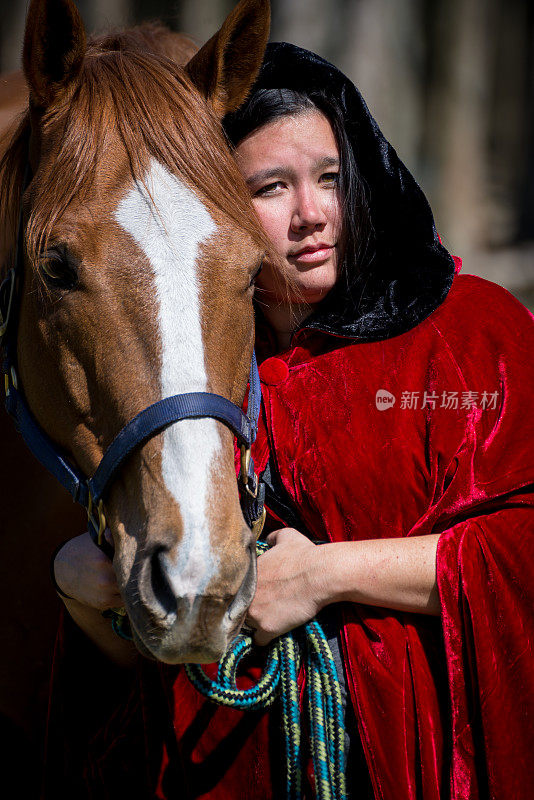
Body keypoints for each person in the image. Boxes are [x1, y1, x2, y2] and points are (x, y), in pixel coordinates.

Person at [49, 43, 534, 800]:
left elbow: (523, 548)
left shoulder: (476, 337)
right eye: (271, 187)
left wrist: (324, 575)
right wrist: (82, 593)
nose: (312, 215)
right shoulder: (189, 384)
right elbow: (145, 677)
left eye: (330, 179)